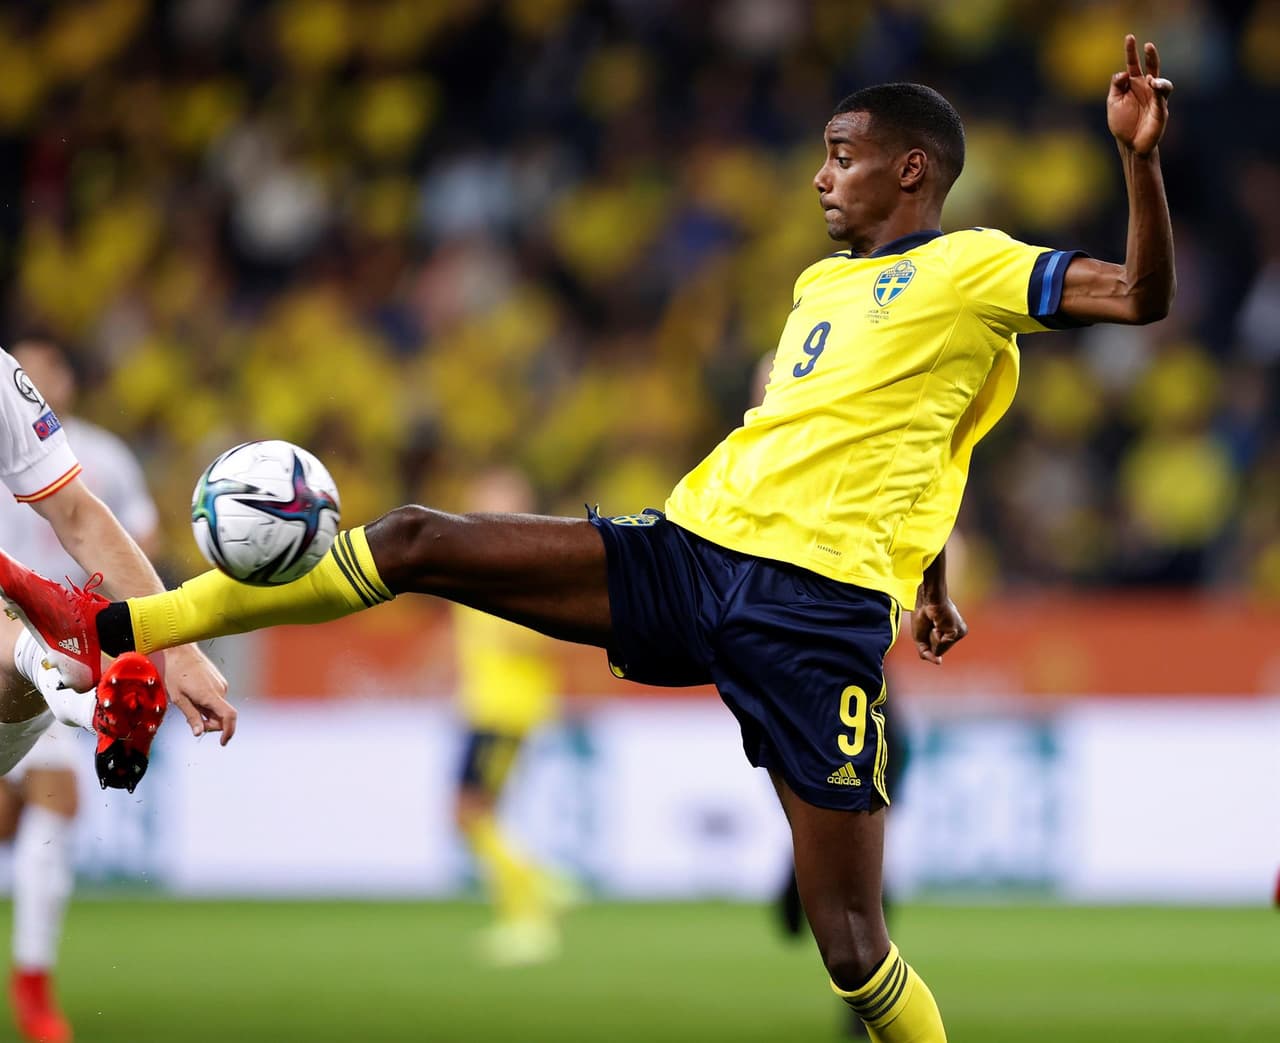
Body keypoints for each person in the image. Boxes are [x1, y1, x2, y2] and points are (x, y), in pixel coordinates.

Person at [0, 36, 1174, 1042]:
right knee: (415, 537)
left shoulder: (972, 270)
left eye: (841, 153)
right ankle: (122, 624)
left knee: (851, 945)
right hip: (691, 552)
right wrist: (932, 575)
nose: (821, 175)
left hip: (813, 618)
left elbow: (1131, 301)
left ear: (909, 169)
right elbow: (871, 440)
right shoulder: (819, 287)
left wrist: (1136, 161)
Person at [0, 340, 236, 1042]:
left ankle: (32, 984)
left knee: (52, 799)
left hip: (50, 627)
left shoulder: (81, 441)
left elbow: (90, 520)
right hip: (31, 619)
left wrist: (175, 643)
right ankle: (71, 683)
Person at [451, 467, 567, 967]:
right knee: (473, 814)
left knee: (472, 812)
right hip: (485, 705)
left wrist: (512, 631)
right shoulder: (481, 562)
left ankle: (532, 916)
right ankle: (541, 888)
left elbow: (547, 631)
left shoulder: (525, 564)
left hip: (507, 709)